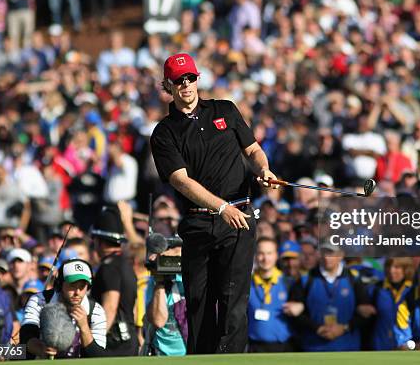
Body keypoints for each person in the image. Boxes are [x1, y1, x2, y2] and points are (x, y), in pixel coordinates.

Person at [150, 52, 278, 354]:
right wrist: (221, 207)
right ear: (168, 85)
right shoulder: (165, 132)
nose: (186, 85)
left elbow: (254, 150)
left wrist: (264, 169)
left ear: (197, 79)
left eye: (190, 78)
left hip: (241, 216)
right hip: (199, 223)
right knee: (199, 304)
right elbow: (180, 180)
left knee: (233, 302)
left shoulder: (225, 110)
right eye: (179, 81)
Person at [287, 243, 368, 352]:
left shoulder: (354, 278)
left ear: (341, 255)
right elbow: (295, 314)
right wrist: (317, 328)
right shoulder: (306, 279)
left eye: (331, 253)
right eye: (324, 253)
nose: (327, 257)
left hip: (348, 347)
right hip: (313, 347)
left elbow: (366, 312)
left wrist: (344, 328)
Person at [20, 259, 107, 358]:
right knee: (9, 352)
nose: (77, 292)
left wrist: (84, 328)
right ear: (60, 284)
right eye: (72, 285)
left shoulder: (96, 311)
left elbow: (99, 356)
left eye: (82, 286)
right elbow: (26, 336)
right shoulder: (39, 300)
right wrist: (41, 349)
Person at [90, 206, 138, 356]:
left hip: (114, 343)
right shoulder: (125, 264)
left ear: (100, 241)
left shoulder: (109, 267)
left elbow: (110, 307)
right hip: (129, 338)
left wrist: (93, 342)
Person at [248, 237, 297, 352]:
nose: (265, 258)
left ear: (276, 255)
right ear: (255, 255)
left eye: (269, 253)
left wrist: (300, 307)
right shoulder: (247, 284)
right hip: (254, 348)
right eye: (261, 253)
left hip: (284, 348)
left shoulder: (289, 283)